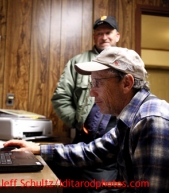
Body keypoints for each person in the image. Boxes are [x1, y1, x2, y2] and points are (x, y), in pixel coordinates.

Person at [4, 47, 169, 193]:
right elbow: (92, 151)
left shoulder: (153, 122)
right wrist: (36, 149)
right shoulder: (131, 118)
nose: (91, 93)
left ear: (126, 83)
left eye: (97, 83)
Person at [50, 16, 120, 193]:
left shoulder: (127, 61)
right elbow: (61, 97)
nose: (104, 37)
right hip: (85, 139)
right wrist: (77, 121)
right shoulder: (78, 62)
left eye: (108, 33)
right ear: (94, 36)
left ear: (117, 35)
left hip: (115, 144)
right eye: (99, 33)